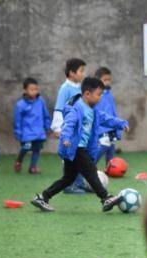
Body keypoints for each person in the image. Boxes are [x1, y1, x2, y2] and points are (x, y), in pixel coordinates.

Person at [31, 77, 128, 212]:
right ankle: (106, 198)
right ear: (87, 94)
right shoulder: (76, 109)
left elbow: (106, 118)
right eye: (98, 95)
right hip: (73, 148)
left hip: (81, 149)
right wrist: (65, 137)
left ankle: (42, 197)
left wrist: (121, 123)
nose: (100, 98)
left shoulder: (93, 110)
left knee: (68, 178)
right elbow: (68, 124)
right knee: (90, 170)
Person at [51, 58, 87, 194]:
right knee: (69, 157)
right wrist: (58, 127)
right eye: (81, 71)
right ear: (72, 73)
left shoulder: (79, 88)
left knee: (79, 155)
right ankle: (68, 185)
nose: (83, 74)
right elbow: (59, 108)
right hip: (68, 129)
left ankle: (79, 183)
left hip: (78, 130)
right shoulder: (65, 89)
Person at [13, 77, 52, 174]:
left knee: (37, 149)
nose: (34, 91)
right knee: (26, 147)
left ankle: (33, 167)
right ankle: (19, 160)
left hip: (39, 132)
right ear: (25, 90)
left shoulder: (41, 101)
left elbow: (45, 115)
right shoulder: (20, 105)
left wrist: (48, 127)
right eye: (31, 89)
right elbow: (17, 121)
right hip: (27, 133)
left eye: (36, 89)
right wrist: (18, 133)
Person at [94, 66, 122, 166]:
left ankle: (110, 168)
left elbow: (113, 112)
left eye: (109, 80)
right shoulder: (96, 95)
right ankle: (90, 165)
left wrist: (117, 127)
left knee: (111, 147)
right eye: (105, 80)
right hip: (101, 128)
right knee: (104, 145)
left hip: (111, 127)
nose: (107, 82)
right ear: (97, 80)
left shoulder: (109, 95)